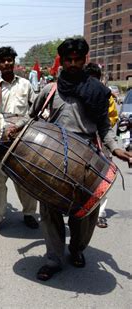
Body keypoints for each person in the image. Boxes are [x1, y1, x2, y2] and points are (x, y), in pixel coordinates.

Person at [30, 38, 132, 281]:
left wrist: (116, 149)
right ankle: (53, 258)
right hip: (52, 158)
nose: (73, 64)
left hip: (87, 157)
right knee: (49, 208)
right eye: (69, 60)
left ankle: (76, 249)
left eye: (78, 60)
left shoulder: (97, 92)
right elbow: (31, 118)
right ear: (62, 62)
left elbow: (105, 128)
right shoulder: (50, 90)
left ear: (85, 60)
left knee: (86, 211)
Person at [0, 46, 39, 236]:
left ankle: (28, 214)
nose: (7, 63)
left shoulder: (26, 85)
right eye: (3, 61)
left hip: (23, 140)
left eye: (10, 60)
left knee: (24, 181)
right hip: (0, 142)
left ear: (14, 62)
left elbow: (35, 110)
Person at [84, 62, 119, 229]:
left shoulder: (107, 97)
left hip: (101, 142)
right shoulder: (77, 94)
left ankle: (100, 214)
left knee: (102, 179)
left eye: (95, 79)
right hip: (82, 142)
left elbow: (112, 119)